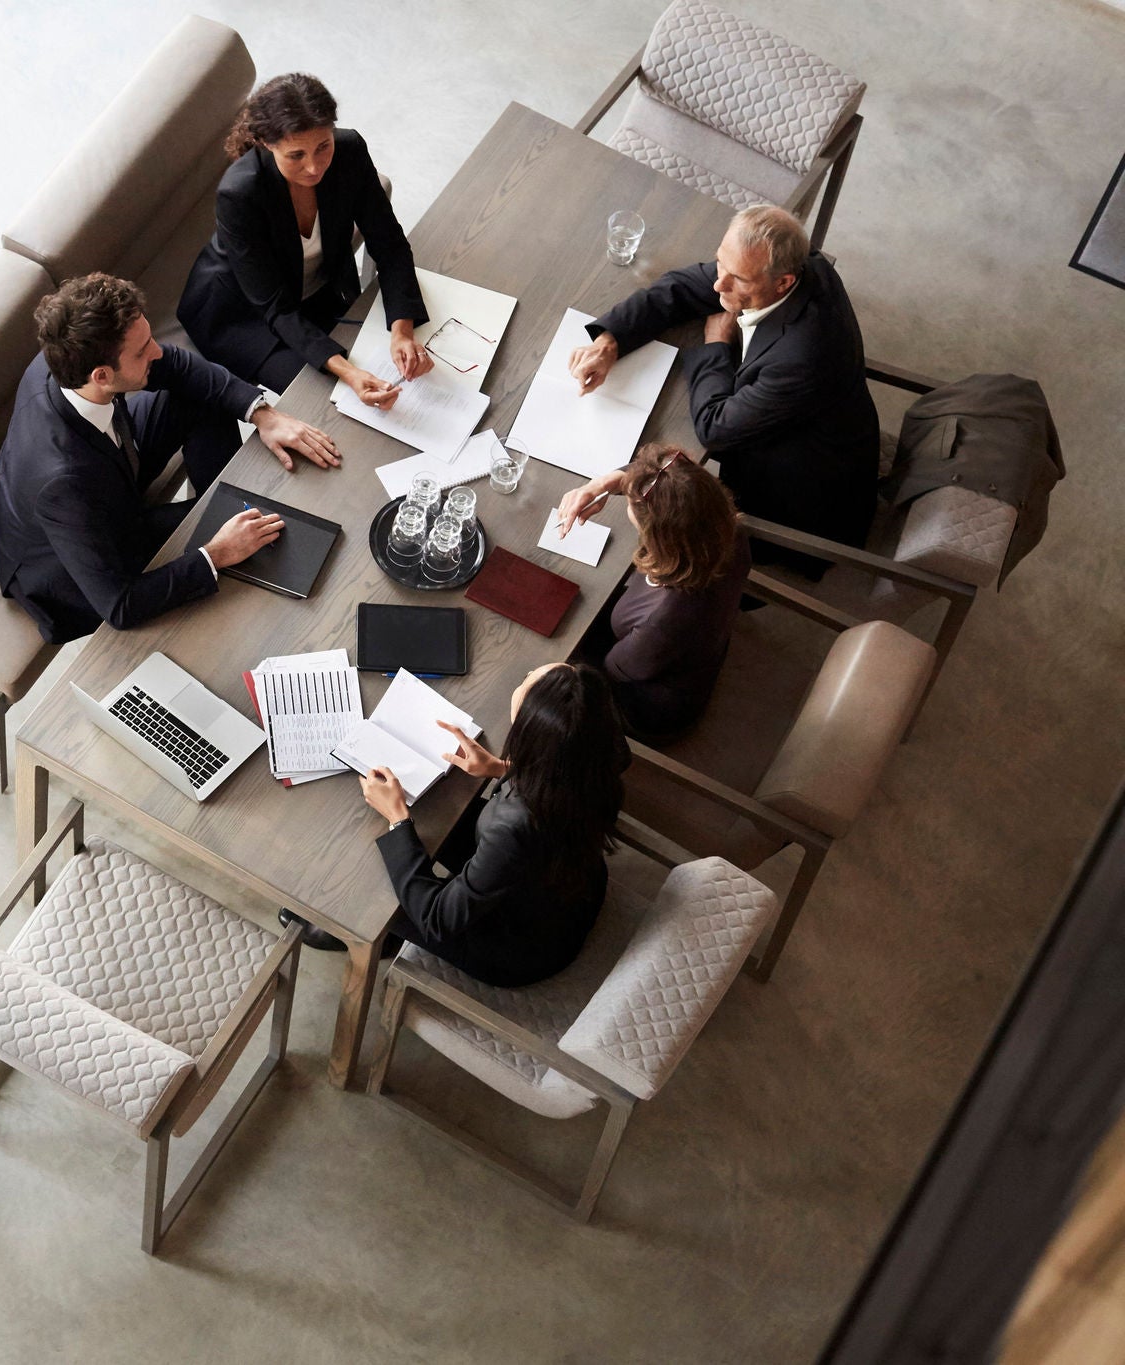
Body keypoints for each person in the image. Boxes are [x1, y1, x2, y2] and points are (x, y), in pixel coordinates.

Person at [0, 272, 340, 643]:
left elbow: (175, 364)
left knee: (202, 397)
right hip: (71, 556)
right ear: (102, 376)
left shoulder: (68, 355)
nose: (157, 350)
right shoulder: (62, 485)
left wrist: (263, 415)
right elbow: (121, 606)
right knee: (224, 550)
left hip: (106, 459)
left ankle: (227, 507)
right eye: (142, 352)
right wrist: (215, 554)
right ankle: (228, 531)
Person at [567, 204, 878, 572]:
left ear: (783, 282)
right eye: (720, 264)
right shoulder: (787, 259)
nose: (719, 285)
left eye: (738, 279)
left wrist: (715, 344)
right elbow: (683, 287)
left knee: (658, 536)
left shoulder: (804, 358)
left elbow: (715, 429)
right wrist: (610, 341)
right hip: (805, 419)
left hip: (800, 496)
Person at [353, 663, 630, 988]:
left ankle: (360, 935)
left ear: (529, 729)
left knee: (365, 900)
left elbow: (437, 919)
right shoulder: (601, 752)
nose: (524, 677)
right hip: (569, 885)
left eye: (526, 680)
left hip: (515, 946)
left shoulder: (513, 827)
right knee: (438, 811)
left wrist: (398, 818)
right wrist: (502, 768)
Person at [179, 72, 430, 404]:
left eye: (323, 146)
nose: (314, 167)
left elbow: (390, 245)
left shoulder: (349, 151)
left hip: (315, 291)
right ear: (267, 144)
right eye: (296, 155)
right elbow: (274, 306)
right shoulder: (239, 193)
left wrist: (402, 331)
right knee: (327, 399)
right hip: (242, 313)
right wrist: (348, 373)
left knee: (394, 370)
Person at [558, 443, 752, 737]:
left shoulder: (665, 622)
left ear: (659, 538)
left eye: (634, 508)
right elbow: (674, 483)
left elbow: (614, 670)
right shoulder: (725, 528)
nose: (629, 505)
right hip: (693, 648)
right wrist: (605, 483)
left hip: (648, 703)